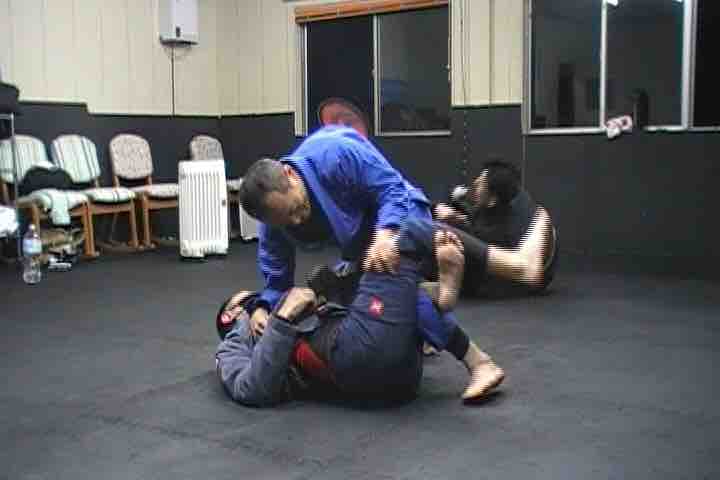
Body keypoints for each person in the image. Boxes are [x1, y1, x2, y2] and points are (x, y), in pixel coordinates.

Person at [237, 126, 551, 399]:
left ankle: (515, 273)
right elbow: (277, 283)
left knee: (394, 261)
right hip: (362, 246)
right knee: (359, 295)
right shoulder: (273, 225)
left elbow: (391, 189)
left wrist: (386, 233)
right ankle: (440, 299)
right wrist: (262, 308)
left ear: (290, 176)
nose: (296, 221)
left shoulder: (334, 154)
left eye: (295, 209)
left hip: (400, 212)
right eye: (285, 220)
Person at [215, 222, 504, 407]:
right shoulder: (234, 343)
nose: (261, 304)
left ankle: (438, 299)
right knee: (402, 238)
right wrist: (281, 319)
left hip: (397, 373)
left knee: (366, 277)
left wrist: (324, 296)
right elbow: (251, 389)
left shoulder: (287, 322)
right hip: (352, 356)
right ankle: (509, 265)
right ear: (231, 315)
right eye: (252, 302)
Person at [434, 159, 558, 297]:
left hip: (507, 284)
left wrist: (455, 223)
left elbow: (479, 238)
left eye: (481, 182)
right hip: (526, 272)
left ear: (493, 199)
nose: (475, 182)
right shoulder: (505, 200)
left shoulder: (501, 232)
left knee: (442, 235)